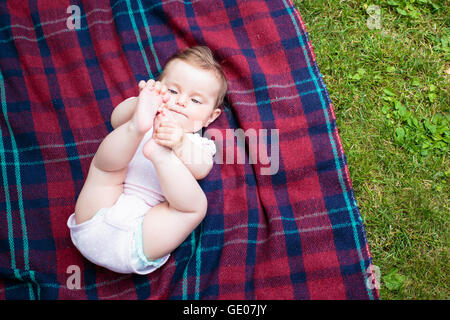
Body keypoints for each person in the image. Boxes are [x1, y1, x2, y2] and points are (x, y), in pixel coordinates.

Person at [67, 46, 227, 274]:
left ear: (210, 117)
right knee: (105, 170)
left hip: (143, 232)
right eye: (172, 91)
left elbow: (202, 168)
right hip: (98, 211)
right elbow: (115, 119)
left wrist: (179, 143)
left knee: (194, 208)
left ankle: (161, 156)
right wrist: (140, 104)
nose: (180, 102)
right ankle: (135, 129)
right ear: (159, 88)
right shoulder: (145, 113)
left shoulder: (196, 143)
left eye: (195, 100)